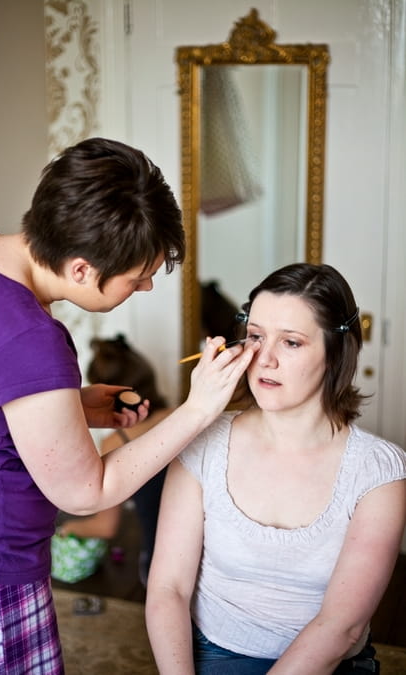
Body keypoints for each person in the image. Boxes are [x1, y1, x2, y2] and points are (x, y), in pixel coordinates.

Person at [0, 137, 256, 674]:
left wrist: (65, 405)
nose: (143, 288)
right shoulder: (30, 341)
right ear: (79, 268)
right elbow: (86, 492)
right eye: (137, 278)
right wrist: (198, 408)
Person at [146, 262, 406, 675]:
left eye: (291, 343)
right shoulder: (204, 443)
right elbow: (168, 589)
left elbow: (340, 626)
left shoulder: (378, 472)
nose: (264, 359)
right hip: (213, 652)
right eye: (255, 337)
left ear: (336, 352)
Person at [55, 333, 175, 585]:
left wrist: (67, 530)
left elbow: (106, 526)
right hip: (210, 556)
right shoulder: (183, 417)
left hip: (163, 562)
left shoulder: (116, 443)